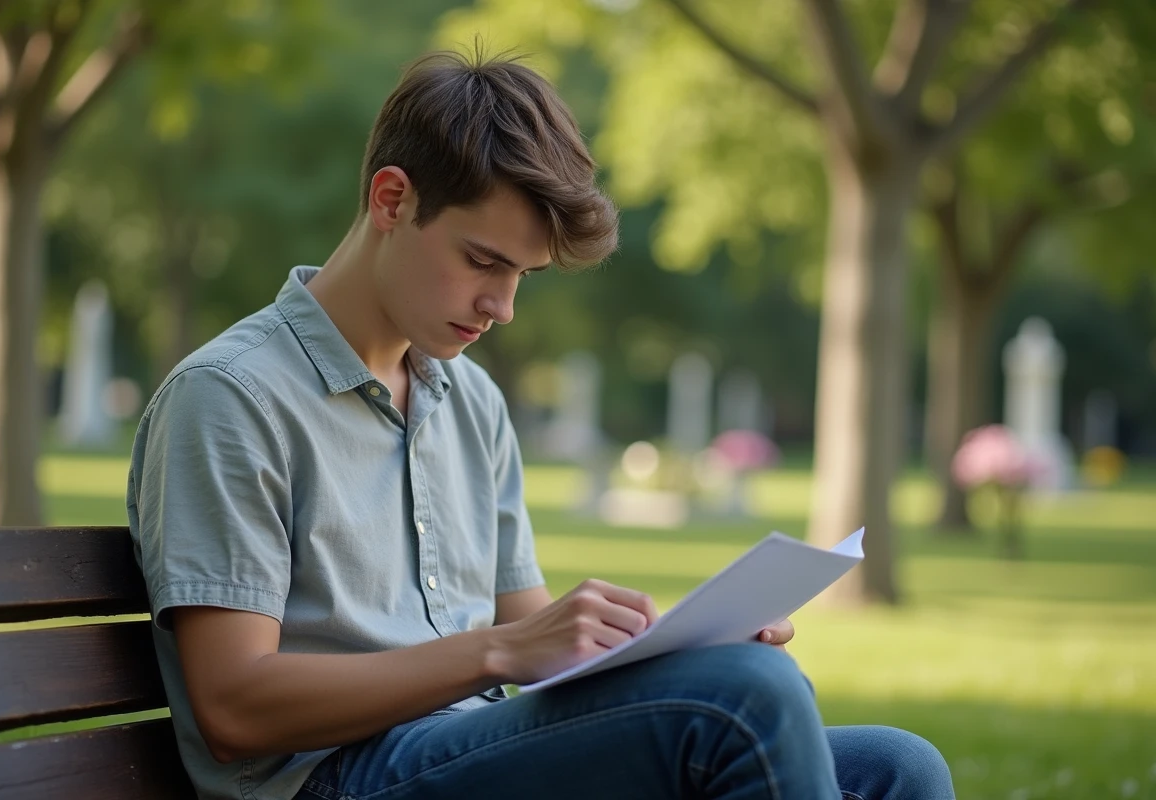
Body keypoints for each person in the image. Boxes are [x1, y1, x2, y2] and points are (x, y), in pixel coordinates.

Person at [127, 49, 956, 800]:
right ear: (392, 199)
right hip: (333, 779)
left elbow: (532, 630)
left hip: (465, 750)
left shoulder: (468, 399)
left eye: (523, 274)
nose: (503, 306)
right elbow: (234, 708)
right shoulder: (231, 397)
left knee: (896, 767)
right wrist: (496, 655)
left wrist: (685, 649)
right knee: (753, 703)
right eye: (483, 261)